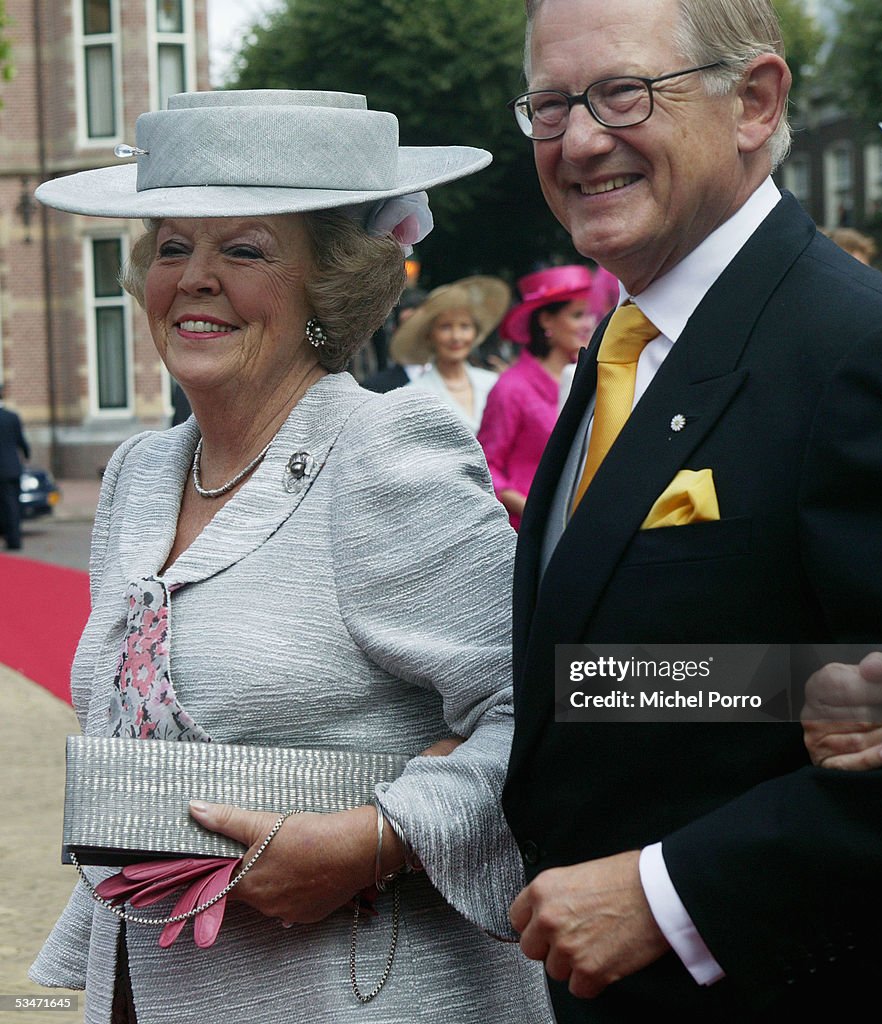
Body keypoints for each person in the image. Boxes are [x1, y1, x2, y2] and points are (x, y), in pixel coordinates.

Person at [29, 89, 552, 1023]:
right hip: (153, 988)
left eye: (244, 249)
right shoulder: (140, 473)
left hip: (361, 994)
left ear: (328, 287)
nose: (194, 277)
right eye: (173, 247)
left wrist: (377, 838)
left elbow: (540, 705)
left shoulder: (385, 454)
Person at [501, 1, 882, 1021]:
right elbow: (606, 668)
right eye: (549, 105)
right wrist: (781, 682)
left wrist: (669, 897)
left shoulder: (867, 354)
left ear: (754, 101)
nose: (579, 141)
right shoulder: (629, 341)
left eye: (622, 93)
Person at [478, 265, 595, 528]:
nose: (589, 324)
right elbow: (487, 468)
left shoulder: (591, 380)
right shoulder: (511, 388)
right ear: (546, 320)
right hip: (524, 531)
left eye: (592, 314)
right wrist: (534, 510)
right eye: (578, 315)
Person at [390, 276, 510, 433]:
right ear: (429, 335)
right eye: (445, 327)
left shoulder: (493, 383)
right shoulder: (415, 395)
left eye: (465, 326)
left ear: (475, 332)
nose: (456, 337)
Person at [361, 286, 429, 393]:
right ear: (395, 330)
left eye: (422, 325)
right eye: (408, 324)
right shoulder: (375, 388)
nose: (416, 332)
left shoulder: (457, 380)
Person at [0, 385, 30, 550]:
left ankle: (11, 539)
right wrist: (26, 456)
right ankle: (14, 538)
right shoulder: (12, 417)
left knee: (6, 506)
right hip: (13, 467)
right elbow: (22, 442)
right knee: (13, 504)